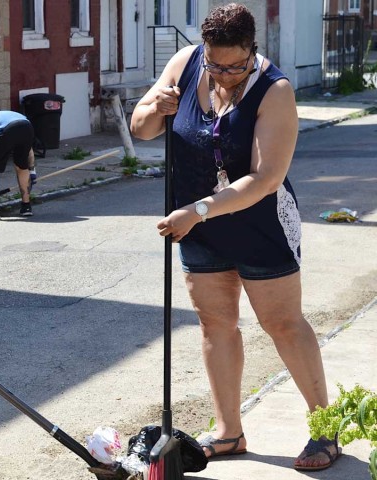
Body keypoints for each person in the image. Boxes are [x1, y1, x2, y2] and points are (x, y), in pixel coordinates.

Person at [130, 3, 338, 472]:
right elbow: (140, 129)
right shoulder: (185, 65)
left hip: (257, 222)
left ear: (252, 51)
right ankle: (229, 432)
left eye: (233, 65)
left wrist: (198, 211)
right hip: (197, 223)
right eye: (214, 63)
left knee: (283, 323)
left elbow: (265, 179)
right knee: (215, 324)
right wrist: (153, 108)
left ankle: (325, 430)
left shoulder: (275, 90)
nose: (222, 74)